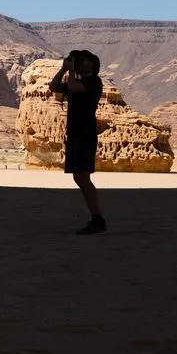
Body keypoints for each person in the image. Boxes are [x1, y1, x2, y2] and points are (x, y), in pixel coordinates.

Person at [51, 49, 106, 234]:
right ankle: (96, 218)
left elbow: (74, 88)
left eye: (84, 60)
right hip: (75, 133)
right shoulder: (77, 81)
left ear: (93, 64)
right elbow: (54, 86)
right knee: (78, 176)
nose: (80, 62)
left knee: (82, 175)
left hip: (85, 133)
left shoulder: (93, 82)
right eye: (78, 60)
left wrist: (72, 71)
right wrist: (63, 70)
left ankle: (98, 219)